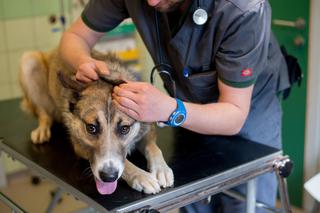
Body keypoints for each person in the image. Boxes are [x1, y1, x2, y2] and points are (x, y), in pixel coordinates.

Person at [59, 0, 290, 212]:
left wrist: (169, 110)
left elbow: (235, 115)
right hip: (184, 105)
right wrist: (83, 61)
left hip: (248, 114)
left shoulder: (243, 9)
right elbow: (75, 37)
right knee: (192, 200)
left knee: (244, 204)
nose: (150, 2)